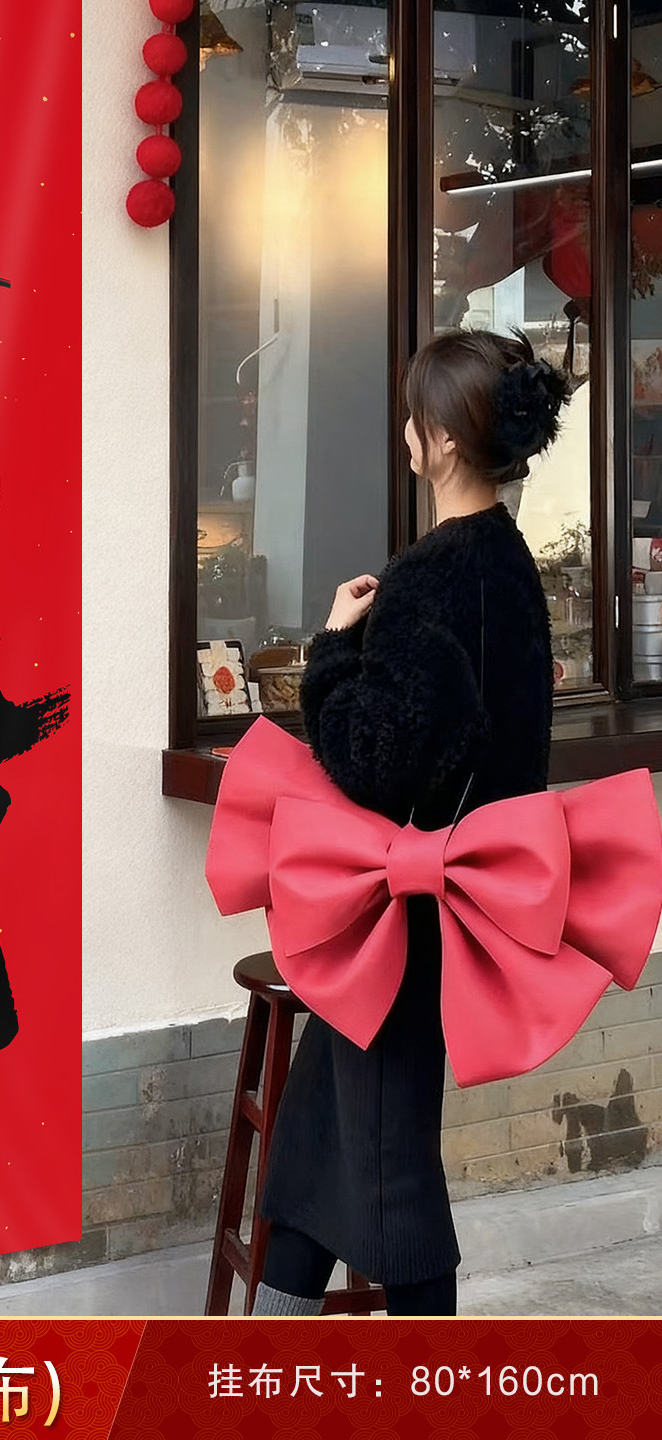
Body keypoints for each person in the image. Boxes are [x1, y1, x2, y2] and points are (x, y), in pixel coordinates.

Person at [251, 328, 570, 1317]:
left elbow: (374, 761)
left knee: (393, 1175)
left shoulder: (431, 577)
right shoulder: (508, 563)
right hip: (452, 899)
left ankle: (431, 1378)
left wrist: (332, 650)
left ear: (440, 440)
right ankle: (266, 1340)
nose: (404, 431)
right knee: (318, 1133)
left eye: (412, 416)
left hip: (406, 913)